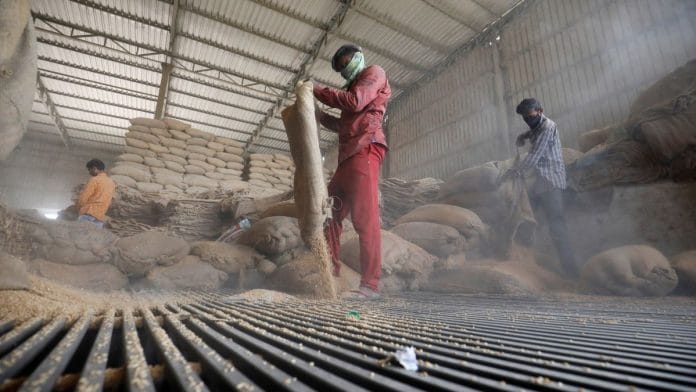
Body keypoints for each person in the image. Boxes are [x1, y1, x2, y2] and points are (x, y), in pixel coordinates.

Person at [312, 44, 391, 299]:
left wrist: (315, 89)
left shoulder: (373, 73)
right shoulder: (353, 88)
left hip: (366, 150)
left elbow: (355, 102)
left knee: (364, 220)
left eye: (346, 63)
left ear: (358, 57)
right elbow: (344, 125)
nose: (344, 70)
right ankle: (330, 275)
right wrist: (319, 115)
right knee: (329, 215)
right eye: (340, 69)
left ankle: (370, 286)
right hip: (348, 157)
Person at [502, 98, 579, 277]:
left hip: (551, 182)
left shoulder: (548, 127)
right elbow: (533, 131)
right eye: (524, 118)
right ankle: (528, 261)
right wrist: (524, 136)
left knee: (557, 227)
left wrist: (516, 171)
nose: (528, 120)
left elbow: (535, 155)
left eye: (529, 116)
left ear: (540, 110)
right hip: (540, 183)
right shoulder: (538, 126)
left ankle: (572, 272)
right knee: (527, 221)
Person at [76, 159, 116, 229]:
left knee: (80, 236)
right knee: (92, 238)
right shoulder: (111, 183)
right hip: (100, 216)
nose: (89, 172)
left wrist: (78, 208)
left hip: (88, 213)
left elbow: (84, 198)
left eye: (89, 170)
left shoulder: (94, 180)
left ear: (94, 168)